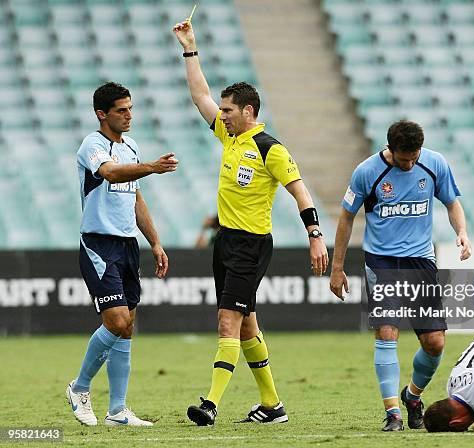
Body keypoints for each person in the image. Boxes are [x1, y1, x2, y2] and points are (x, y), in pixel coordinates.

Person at [172, 19, 328, 426]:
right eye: (221, 110)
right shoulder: (230, 137)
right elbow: (199, 95)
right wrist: (190, 47)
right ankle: (273, 406)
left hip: (251, 245)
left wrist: (315, 238)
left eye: (227, 110)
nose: (220, 115)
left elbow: (300, 192)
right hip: (226, 242)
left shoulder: (269, 148)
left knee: (228, 319)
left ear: (248, 111)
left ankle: (211, 403)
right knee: (245, 328)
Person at [329, 120, 472, 431]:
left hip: (421, 261)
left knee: (434, 343)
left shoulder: (435, 163)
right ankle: (393, 412)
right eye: (403, 158)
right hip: (381, 261)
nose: (409, 164)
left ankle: (412, 395)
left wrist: (461, 231)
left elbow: (452, 203)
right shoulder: (367, 172)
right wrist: (337, 267)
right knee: (387, 333)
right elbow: (346, 218)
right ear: (390, 150)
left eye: (414, 157)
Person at [66, 82, 178, 427]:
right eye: (121, 110)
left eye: (131, 108)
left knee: (126, 328)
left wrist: (155, 242)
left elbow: (136, 199)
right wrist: (151, 167)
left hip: (128, 245)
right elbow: (110, 173)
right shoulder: (93, 145)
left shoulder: (131, 146)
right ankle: (79, 387)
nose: (129, 115)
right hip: (98, 244)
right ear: (102, 114)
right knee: (115, 321)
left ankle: (117, 411)